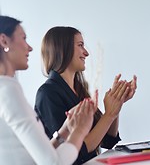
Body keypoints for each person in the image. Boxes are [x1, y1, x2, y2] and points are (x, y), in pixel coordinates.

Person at [0, 15, 96, 164]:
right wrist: (79, 131)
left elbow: (39, 157)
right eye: (23, 38)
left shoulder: (8, 89)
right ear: (4, 41)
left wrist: (64, 131)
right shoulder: (8, 92)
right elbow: (53, 163)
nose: (30, 47)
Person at [34, 26, 137, 164]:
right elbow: (75, 152)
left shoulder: (79, 89)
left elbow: (107, 140)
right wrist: (109, 115)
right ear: (62, 49)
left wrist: (116, 104)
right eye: (80, 45)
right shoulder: (47, 93)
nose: (86, 53)